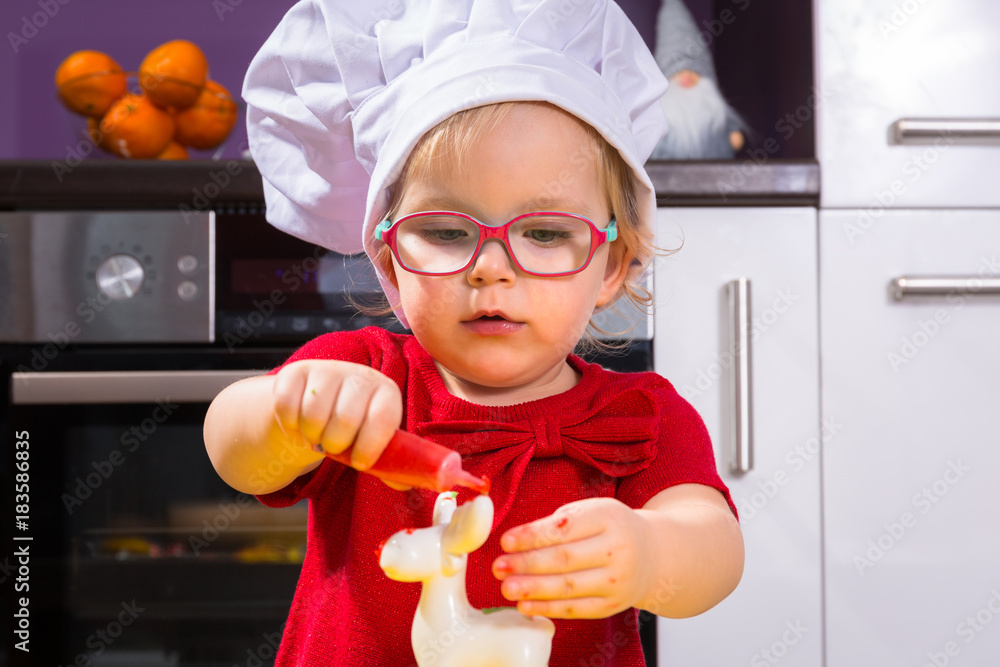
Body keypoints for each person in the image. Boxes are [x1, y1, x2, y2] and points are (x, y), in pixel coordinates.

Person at [204, 1, 744, 665]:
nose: (492, 268)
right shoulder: (365, 376)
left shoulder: (642, 415)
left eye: (545, 232)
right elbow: (232, 447)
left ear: (613, 264)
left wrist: (650, 551)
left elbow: (715, 548)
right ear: (390, 263)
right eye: (447, 232)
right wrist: (286, 412)